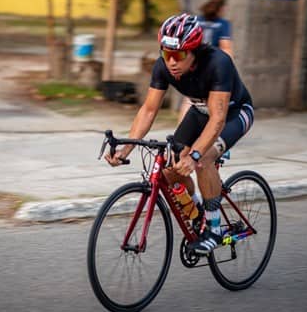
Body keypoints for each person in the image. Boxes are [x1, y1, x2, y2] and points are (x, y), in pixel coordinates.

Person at [105, 13, 254, 255]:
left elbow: (217, 119)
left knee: (203, 160)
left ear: (194, 51)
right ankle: (197, 214)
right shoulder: (163, 66)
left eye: (179, 55)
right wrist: (125, 149)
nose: (171, 61)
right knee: (169, 172)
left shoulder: (218, 63)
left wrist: (194, 155)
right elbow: (149, 109)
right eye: (166, 53)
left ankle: (214, 229)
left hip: (234, 114)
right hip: (199, 112)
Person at [178, 0, 234, 122]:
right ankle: (210, 133)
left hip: (191, 63)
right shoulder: (223, 24)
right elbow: (226, 48)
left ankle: (181, 130)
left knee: (189, 99)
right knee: (214, 101)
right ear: (222, 8)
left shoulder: (196, 20)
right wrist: (229, 67)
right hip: (211, 66)